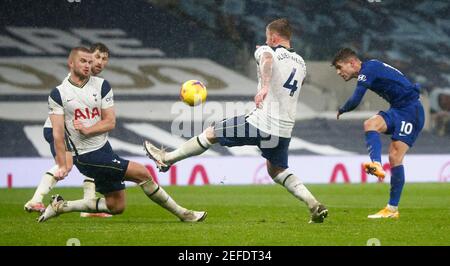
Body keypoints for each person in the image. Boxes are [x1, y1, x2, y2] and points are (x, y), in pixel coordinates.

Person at [144, 18, 328, 224]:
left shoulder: (267, 50)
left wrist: (265, 85)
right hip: (284, 128)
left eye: (268, 37)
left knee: (212, 133)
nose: (265, 41)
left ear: (274, 37)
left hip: (262, 122)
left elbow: (268, 59)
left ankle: (166, 159)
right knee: (276, 170)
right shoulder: (301, 62)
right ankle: (314, 205)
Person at [37, 47, 207, 223]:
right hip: (85, 156)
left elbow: (110, 122)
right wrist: (62, 163)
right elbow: (57, 133)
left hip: (104, 149)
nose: (88, 65)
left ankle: (61, 206)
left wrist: (88, 129)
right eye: (83, 61)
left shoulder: (102, 85)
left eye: (89, 61)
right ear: (70, 63)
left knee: (116, 206)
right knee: (142, 173)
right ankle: (184, 214)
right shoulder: (58, 94)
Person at [331, 48, 425, 219]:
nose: (339, 72)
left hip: (411, 111)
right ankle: (377, 165)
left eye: (339, 67)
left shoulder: (369, 69)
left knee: (395, 157)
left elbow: (356, 99)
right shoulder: (370, 69)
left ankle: (392, 209)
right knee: (370, 124)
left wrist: (342, 109)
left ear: (352, 63)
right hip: (398, 109)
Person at [24, 43, 113, 218]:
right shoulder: (73, 83)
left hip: (76, 133)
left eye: (104, 59)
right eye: (96, 57)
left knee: (96, 161)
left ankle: (89, 206)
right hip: (61, 130)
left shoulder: (95, 85)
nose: (99, 63)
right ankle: (36, 199)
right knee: (66, 164)